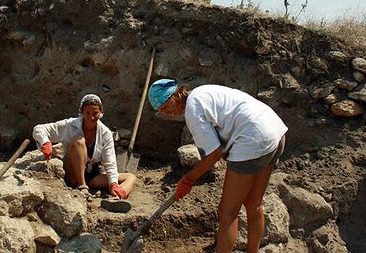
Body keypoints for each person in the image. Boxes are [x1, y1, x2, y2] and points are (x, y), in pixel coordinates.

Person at [148, 79, 287, 253]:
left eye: (164, 105)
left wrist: (188, 180)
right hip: (274, 130)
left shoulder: (193, 110)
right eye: (160, 110)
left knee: (227, 212)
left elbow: (214, 155)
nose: (165, 112)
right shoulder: (202, 92)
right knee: (253, 204)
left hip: (253, 139)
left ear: (175, 95)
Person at [32, 94, 137, 212]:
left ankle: (116, 199)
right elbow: (39, 129)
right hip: (71, 172)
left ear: (101, 112)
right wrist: (45, 142)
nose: (91, 117)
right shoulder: (69, 125)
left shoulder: (105, 133)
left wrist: (113, 183)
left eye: (95, 113)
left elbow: (110, 162)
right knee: (79, 141)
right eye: (87, 113)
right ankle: (82, 187)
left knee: (130, 177)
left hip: (91, 174)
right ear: (82, 112)